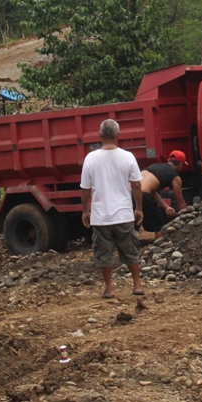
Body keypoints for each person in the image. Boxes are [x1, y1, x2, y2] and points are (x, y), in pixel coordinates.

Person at [80, 119, 145, 298]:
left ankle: (109, 288)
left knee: (103, 253)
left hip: (101, 217)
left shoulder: (90, 158)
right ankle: (137, 285)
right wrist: (138, 209)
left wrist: (86, 211)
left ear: (100, 135)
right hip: (124, 214)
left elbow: (85, 189)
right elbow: (137, 186)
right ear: (118, 135)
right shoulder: (128, 157)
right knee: (131, 250)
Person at [138, 150, 189, 238]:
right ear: (181, 164)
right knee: (159, 225)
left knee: (134, 223)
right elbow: (180, 202)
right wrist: (187, 218)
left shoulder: (154, 166)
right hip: (143, 195)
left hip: (129, 193)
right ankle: (159, 250)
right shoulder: (175, 176)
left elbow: (152, 191)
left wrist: (166, 207)